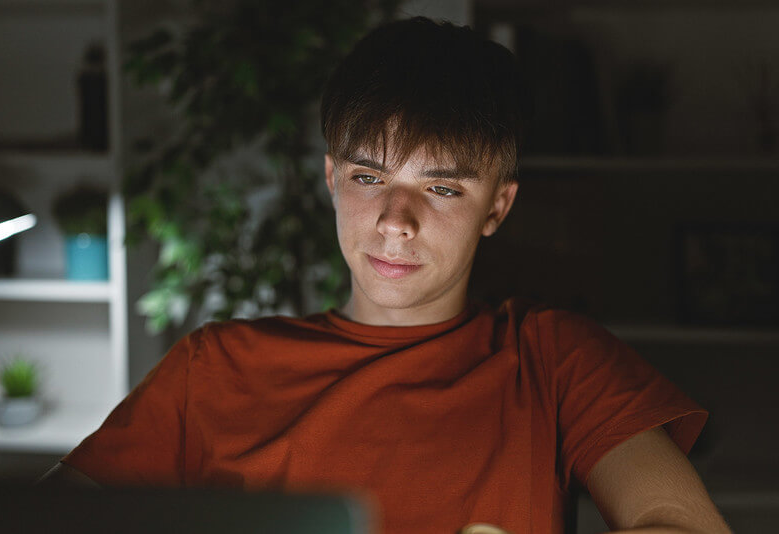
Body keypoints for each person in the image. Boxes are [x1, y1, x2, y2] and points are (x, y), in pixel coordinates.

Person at [40, 17, 732, 534]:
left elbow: (681, 524)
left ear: (497, 206)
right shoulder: (211, 370)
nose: (396, 220)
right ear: (332, 178)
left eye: (443, 189)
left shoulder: (553, 360)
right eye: (370, 177)